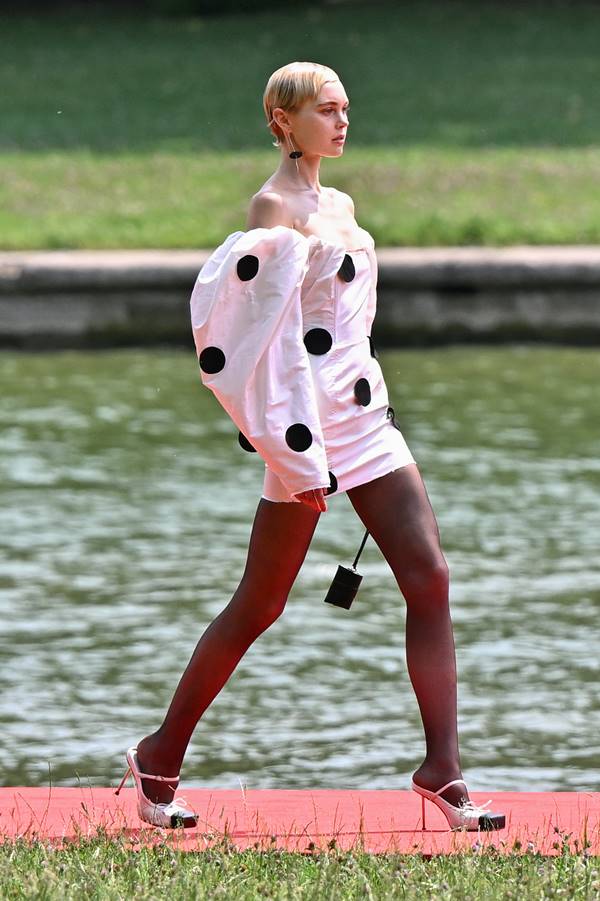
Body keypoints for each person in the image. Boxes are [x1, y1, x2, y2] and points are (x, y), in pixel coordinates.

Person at [116, 61, 504, 833]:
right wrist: (295, 454)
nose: (342, 120)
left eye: (346, 108)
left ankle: (443, 769)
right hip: (307, 431)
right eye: (326, 110)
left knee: (430, 576)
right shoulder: (274, 207)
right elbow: (260, 342)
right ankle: (157, 754)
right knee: (259, 604)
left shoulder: (343, 202)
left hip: (364, 419)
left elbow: (345, 324)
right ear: (281, 122)